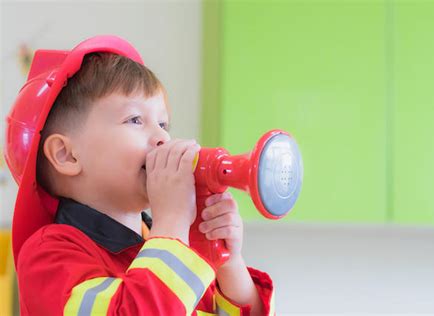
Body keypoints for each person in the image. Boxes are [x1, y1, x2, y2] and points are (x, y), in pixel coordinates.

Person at [4, 35, 275, 315]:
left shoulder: (171, 248)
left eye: (163, 123)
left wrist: (227, 264)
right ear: (67, 155)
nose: (162, 137)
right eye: (135, 120)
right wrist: (172, 222)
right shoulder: (49, 255)